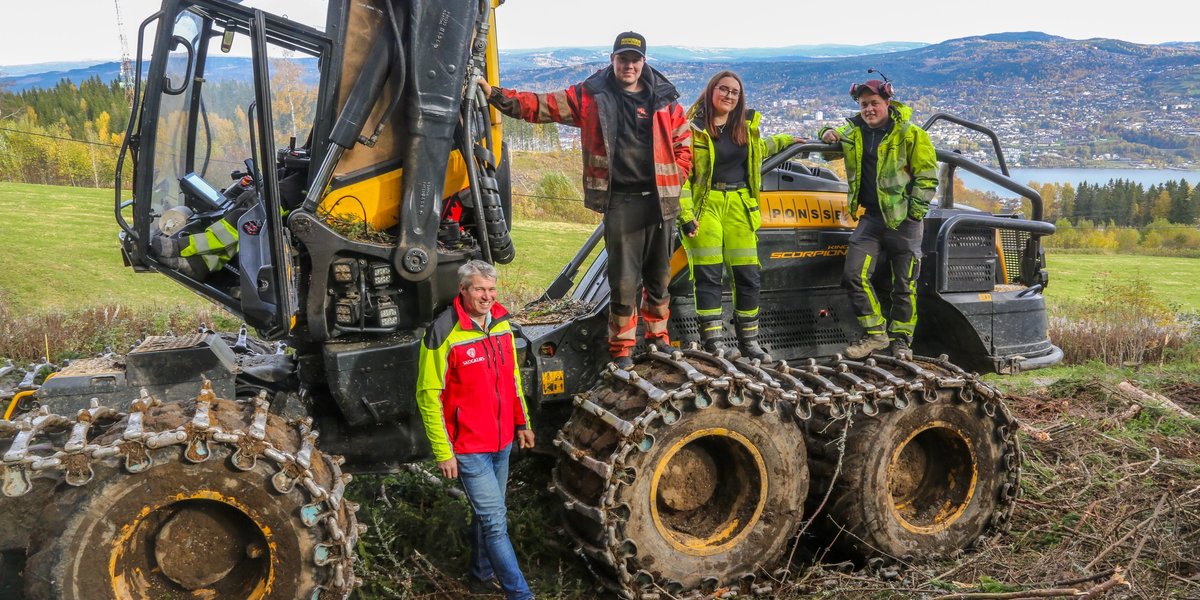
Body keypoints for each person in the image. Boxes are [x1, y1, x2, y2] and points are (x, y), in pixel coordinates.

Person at [479, 31, 691, 370]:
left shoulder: (665, 100)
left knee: (659, 277)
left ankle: (656, 340)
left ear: (643, 62)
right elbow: (542, 105)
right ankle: (622, 349)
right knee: (623, 280)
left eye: (635, 60)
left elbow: (684, 144)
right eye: (623, 59)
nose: (629, 65)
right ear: (613, 59)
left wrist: (676, 176)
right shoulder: (593, 96)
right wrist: (497, 96)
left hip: (660, 203)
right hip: (621, 201)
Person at [416, 260, 535, 599]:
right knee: (496, 522)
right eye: (480, 289)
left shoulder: (501, 323)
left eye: (492, 289)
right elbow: (428, 395)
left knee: (492, 514)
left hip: (502, 442)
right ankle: (520, 594)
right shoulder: (443, 331)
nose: (487, 296)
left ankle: (481, 576)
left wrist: (522, 422)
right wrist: (444, 451)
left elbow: (512, 379)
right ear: (463, 290)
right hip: (468, 448)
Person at [679, 70, 801, 361]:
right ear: (711, 91)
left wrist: (790, 140)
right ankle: (714, 345)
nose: (729, 96)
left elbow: (762, 149)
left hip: (740, 206)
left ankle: (749, 342)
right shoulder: (691, 129)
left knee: (748, 276)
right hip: (705, 205)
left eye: (734, 92)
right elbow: (680, 174)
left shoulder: (745, 130)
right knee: (707, 276)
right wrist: (684, 214)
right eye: (724, 90)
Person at [819, 75, 938, 359]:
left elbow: (927, 176)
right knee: (853, 274)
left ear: (887, 102)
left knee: (904, 284)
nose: (869, 109)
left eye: (874, 103)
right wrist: (826, 131)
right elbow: (827, 151)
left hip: (904, 221)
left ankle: (901, 342)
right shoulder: (854, 133)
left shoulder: (910, 134)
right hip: (871, 219)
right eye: (863, 105)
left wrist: (914, 212)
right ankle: (875, 333)